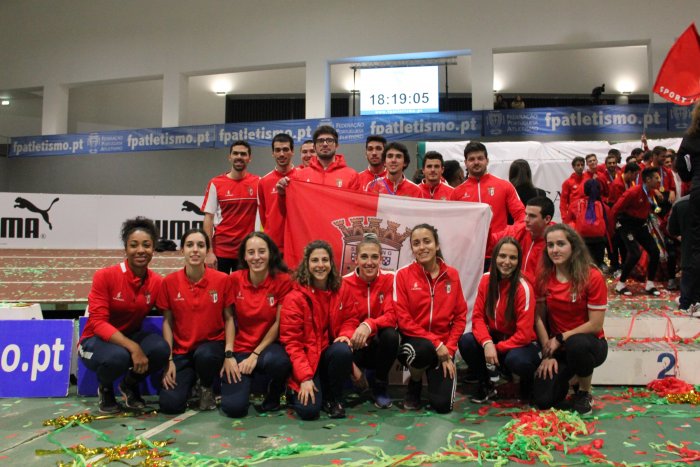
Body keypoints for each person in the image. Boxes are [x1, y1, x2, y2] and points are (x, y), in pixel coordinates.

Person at [78, 217, 170, 413]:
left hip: (128, 337)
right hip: (94, 341)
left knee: (161, 349)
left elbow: (172, 314)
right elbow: (98, 323)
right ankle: (105, 389)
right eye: (134, 245)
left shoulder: (156, 282)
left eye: (146, 245)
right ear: (126, 249)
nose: (140, 250)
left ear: (153, 249)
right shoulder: (105, 276)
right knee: (117, 357)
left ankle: (128, 385)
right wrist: (133, 347)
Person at [532, 224, 607, 415]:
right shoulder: (544, 277)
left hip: (590, 344)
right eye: (550, 245)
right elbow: (539, 317)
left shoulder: (593, 276)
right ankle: (571, 377)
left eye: (560, 244)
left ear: (573, 246)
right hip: (559, 348)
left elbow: (596, 324)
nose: (555, 250)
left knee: (576, 344)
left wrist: (560, 337)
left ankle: (583, 392)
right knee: (543, 400)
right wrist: (547, 354)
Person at [279, 240, 359, 420]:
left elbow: (351, 318)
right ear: (307, 264)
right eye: (315, 260)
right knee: (309, 412)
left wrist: (346, 335)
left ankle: (334, 398)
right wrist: (305, 377)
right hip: (307, 361)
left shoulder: (341, 289)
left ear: (331, 263)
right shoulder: (295, 298)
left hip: (329, 356)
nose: (320, 265)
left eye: (325, 260)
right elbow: (292, 343)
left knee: (342, 350)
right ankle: (295, 390)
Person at [158, 229, 234, 414]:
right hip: (182, 352)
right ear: (182, 250)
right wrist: (169, 359)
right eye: (190, 245)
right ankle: (191, 382)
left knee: (205, 355)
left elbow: (229, 318)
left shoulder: (222, 279)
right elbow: (167, 322)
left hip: (211, 348)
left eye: (200, 245)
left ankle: (206, 386)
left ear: (207, 251)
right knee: (170, 405)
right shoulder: (169, 282)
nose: (195, 250)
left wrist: (229, 353)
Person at [394, 224, 467, 413]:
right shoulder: (402, 275)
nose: (422, 247)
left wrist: (449, 350)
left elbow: (460, 317)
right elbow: (403, 320)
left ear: (436, 245)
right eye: (416, 243)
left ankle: (432, 374)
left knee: (442, 406)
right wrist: (436, 344)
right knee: (423, 349)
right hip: (416, 343)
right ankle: (415, 383)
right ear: (412, 249)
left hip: (443, 347)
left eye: (427, 241)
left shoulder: (452, 275)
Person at [220, 232, 294, 417]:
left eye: (262, 251)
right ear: (244, 256)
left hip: (269, 347)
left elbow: (279, 322)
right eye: (251, 252)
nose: (256, 257)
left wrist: (255, 354)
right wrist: (228, 355)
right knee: (233, 409)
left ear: (270, 253)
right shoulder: (234, 279)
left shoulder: (283, 280)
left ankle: (275, 390)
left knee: (280, 362)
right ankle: (246, 384)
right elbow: (228, 318)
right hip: (241, 348)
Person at [458, 237, 539, 403]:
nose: (507, 262)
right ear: (494, 257)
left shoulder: (524, 288)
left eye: (513, 257)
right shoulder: (486, 280)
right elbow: (478, 318)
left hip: (521, 345)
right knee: (466, 341)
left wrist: (496, 348)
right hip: (495, 340)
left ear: (519, 261)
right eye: (502, 256)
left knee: (516, 360)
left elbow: (524, 335)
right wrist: (487, 343)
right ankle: (486, 382)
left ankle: (527, 383)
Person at [344, 233, 399, 409]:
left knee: (391, 335)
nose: (369, 262)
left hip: (377, 343)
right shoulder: (343, 283)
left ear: (381, 259)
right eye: (364, 256)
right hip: (354, 344)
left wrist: (368, 325)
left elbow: (392, 315)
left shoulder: (390, 279)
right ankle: (355, 375)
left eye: (374, 257)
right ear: (356, 259)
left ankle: (380, 385)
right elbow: (339, 321)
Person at [202, 140, 260, 273]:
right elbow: (208, 218)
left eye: (243, 154)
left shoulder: (258, 183)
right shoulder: (215, 183)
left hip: (246, 251)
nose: (239, 157)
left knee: (242, 292)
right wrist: (209, 252)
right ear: (230, 157)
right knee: (219, 291)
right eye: (235, 153)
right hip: (220, 251)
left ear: (249, 158)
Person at [451, 141, 525, 234]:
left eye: (480, 158)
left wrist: (508, 235)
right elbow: (452, 224)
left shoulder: (505, 186)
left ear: (487, 160)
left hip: (498, 246)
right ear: (465, 163)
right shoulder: (457, 193)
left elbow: (521, 216)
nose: (476, 162)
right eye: (472, 159)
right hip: (470, 247)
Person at [610, 167, 663, 296]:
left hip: (641, 225)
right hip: (626, 225)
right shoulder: (633, 192)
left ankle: (650, 284)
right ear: (648, 179)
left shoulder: (650, 192)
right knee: (635, 253)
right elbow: (615, 209)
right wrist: (612, 230)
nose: (659, 180)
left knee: (654, 251)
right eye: (656, 178)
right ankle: (620, 284)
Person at [488, 196, 554, 284]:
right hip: (512, 289)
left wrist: (515, 273)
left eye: (532, 216)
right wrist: (487, 225)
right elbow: (491, 244)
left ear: (547, 219)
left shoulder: (556, 242)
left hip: (537, 294)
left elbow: (551, 280)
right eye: (526, 214)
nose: (526, 219)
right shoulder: (519, 230)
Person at [278, 126, 360, 193]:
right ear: (314, 147)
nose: (325, 144)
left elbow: (357, 208)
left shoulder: (351, 176)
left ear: (337, 145)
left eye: (329, 140)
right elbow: (290, 209)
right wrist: (282, 195)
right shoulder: (299, 176)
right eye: (320, 141)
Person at [675, 100, 700, 313]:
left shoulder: (691, 137)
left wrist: (692, 177)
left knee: (695, 246)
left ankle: (690, 299)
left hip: (698, 192)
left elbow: (680, 166)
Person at [258, 133, 297, 257]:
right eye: (277, 150)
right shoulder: (264, 181)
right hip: (273, 245)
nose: (281, 154)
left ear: (292, 151)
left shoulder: (302, 178)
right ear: (272, 153)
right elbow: (264, 216)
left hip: (296, 243)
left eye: (285, 149)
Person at [568, 179, 609, 270]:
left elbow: (568, 222)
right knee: (597, 266)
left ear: (584, 190)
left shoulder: (575, 204)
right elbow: (609, 225)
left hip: (581, 240)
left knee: (583, 265)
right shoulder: (603, 206)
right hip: (600, 241)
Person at [559, 156, 587, 222]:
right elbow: (563, 202)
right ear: (573, 167)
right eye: (578, 165)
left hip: (586, 213)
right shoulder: (567, 182)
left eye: (582, 165)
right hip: (573, 215)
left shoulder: (588, 179)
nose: (580, 167)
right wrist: (564, 217)